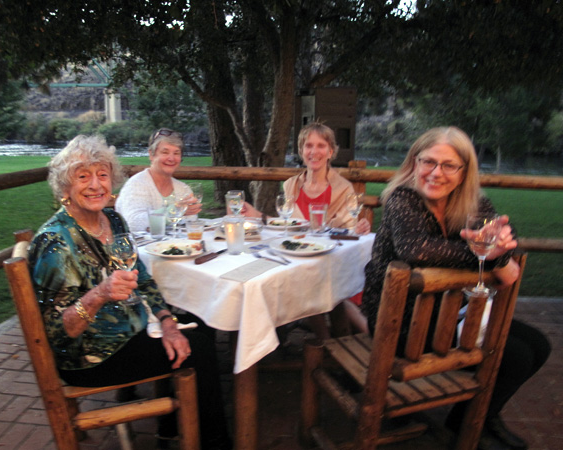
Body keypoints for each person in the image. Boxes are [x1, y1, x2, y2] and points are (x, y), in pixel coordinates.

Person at [27, 135, 231, 450]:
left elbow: (142, 276)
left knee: (197, 322)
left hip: (130, 326)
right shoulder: (56, 241)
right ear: (65, 187)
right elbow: (59, 332)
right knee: (200, 349)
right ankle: (215, 442)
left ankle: (170, 427)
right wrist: (99, 294)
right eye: (83, 176)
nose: (95, 184)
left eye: (103, 174)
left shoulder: (112, 219)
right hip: (92, 355)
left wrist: (165, 320)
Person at [358, 127, 550, 450]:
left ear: (464, 173)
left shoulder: (471, 202)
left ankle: (483, 417)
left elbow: (503, 230)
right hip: (399, 325)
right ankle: (467, 425)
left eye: (449, 165)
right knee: (514, 356)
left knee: (538, 346)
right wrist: (491, 258)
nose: (436, 173)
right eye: (428, 162)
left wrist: (499, 242)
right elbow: (417, 250)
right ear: (414, 163)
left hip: (448, 315)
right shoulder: (402, 199)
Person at [242, 122, 372, 233]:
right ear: (301, 151)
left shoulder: (344, 189)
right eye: (308, 146)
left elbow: (349, 232)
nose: (314, 152)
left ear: (330, 152)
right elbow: (287, 225)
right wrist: (256, 215)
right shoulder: (290, 185)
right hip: (294, 254)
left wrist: (359, 229)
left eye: (321, 146)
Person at [116, 127, 201, 233]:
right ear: (151, 154)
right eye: (165, 152)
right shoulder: (136, 184)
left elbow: (191, 223)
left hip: (175, 246)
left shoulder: (183, 189)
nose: (171, 158)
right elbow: (133, 222)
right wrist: (173, 211)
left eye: (176, 153)